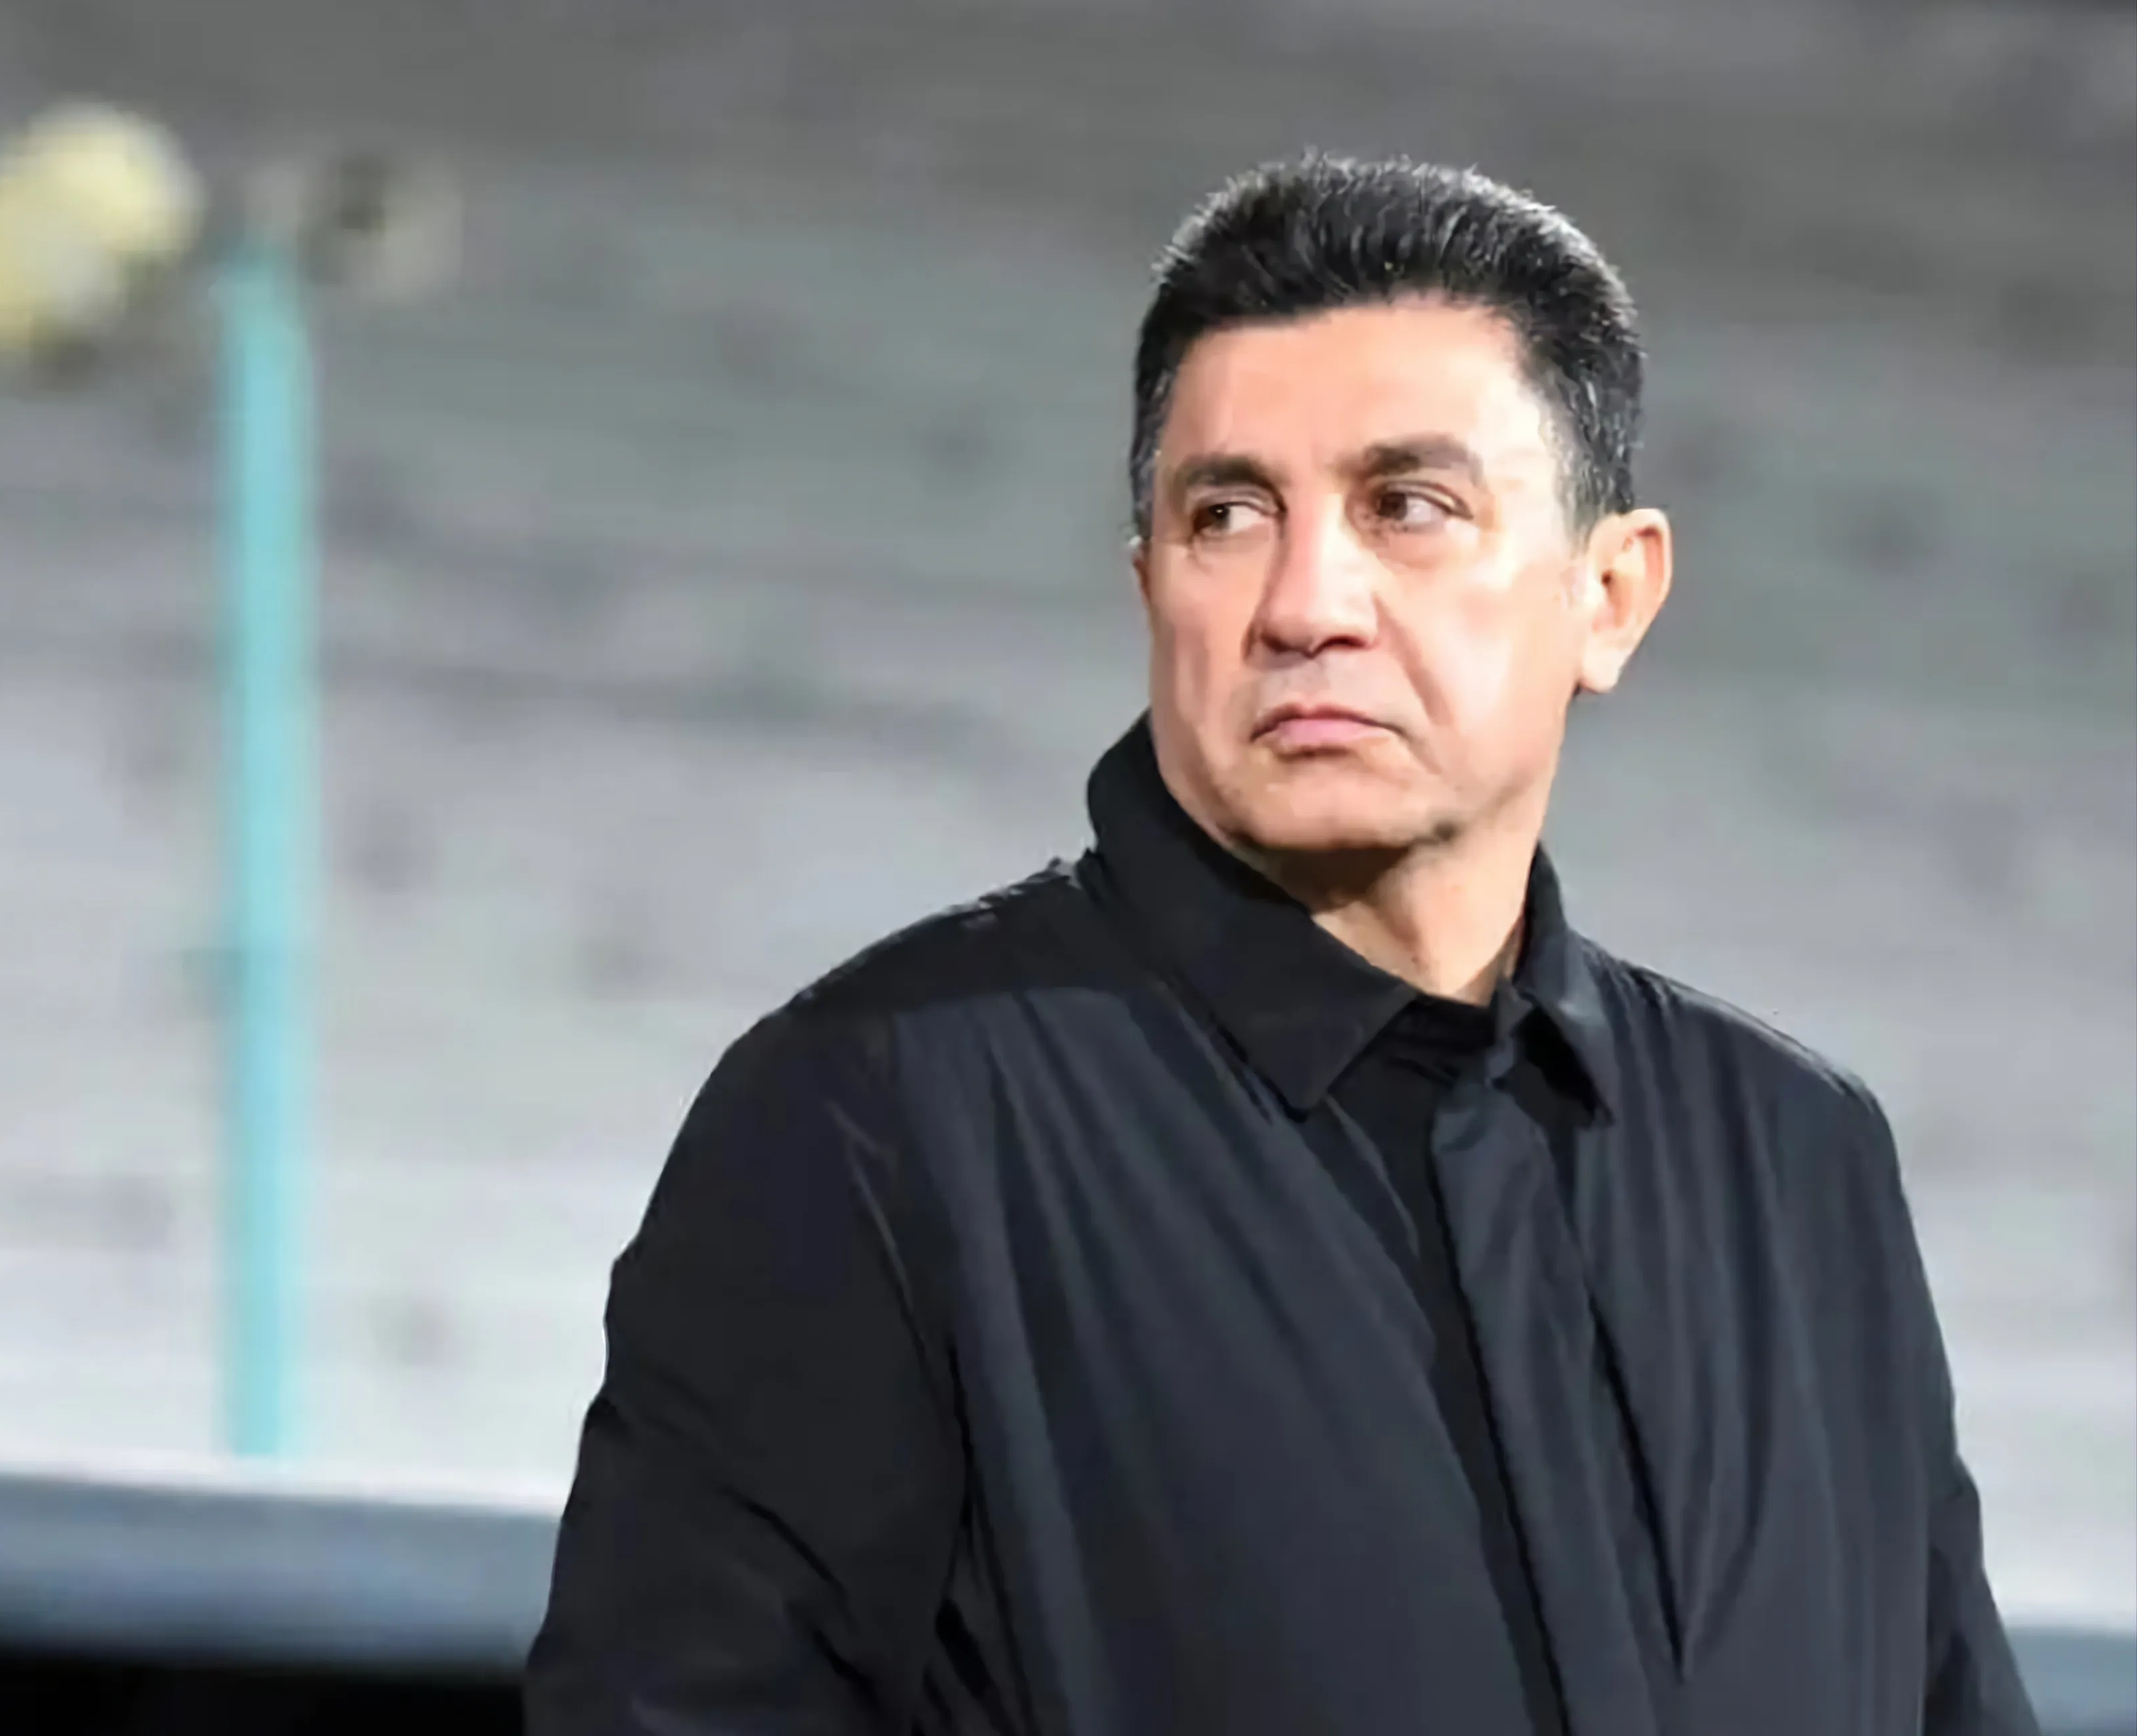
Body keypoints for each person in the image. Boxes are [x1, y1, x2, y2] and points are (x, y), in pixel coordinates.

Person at [523, 155, 2039, 1735]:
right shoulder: (877, 1121)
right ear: (1148, 586)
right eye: (1228, 515)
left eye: (1408, 508)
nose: (1307, 604)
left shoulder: (1799, 1162)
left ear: (1610, 594)